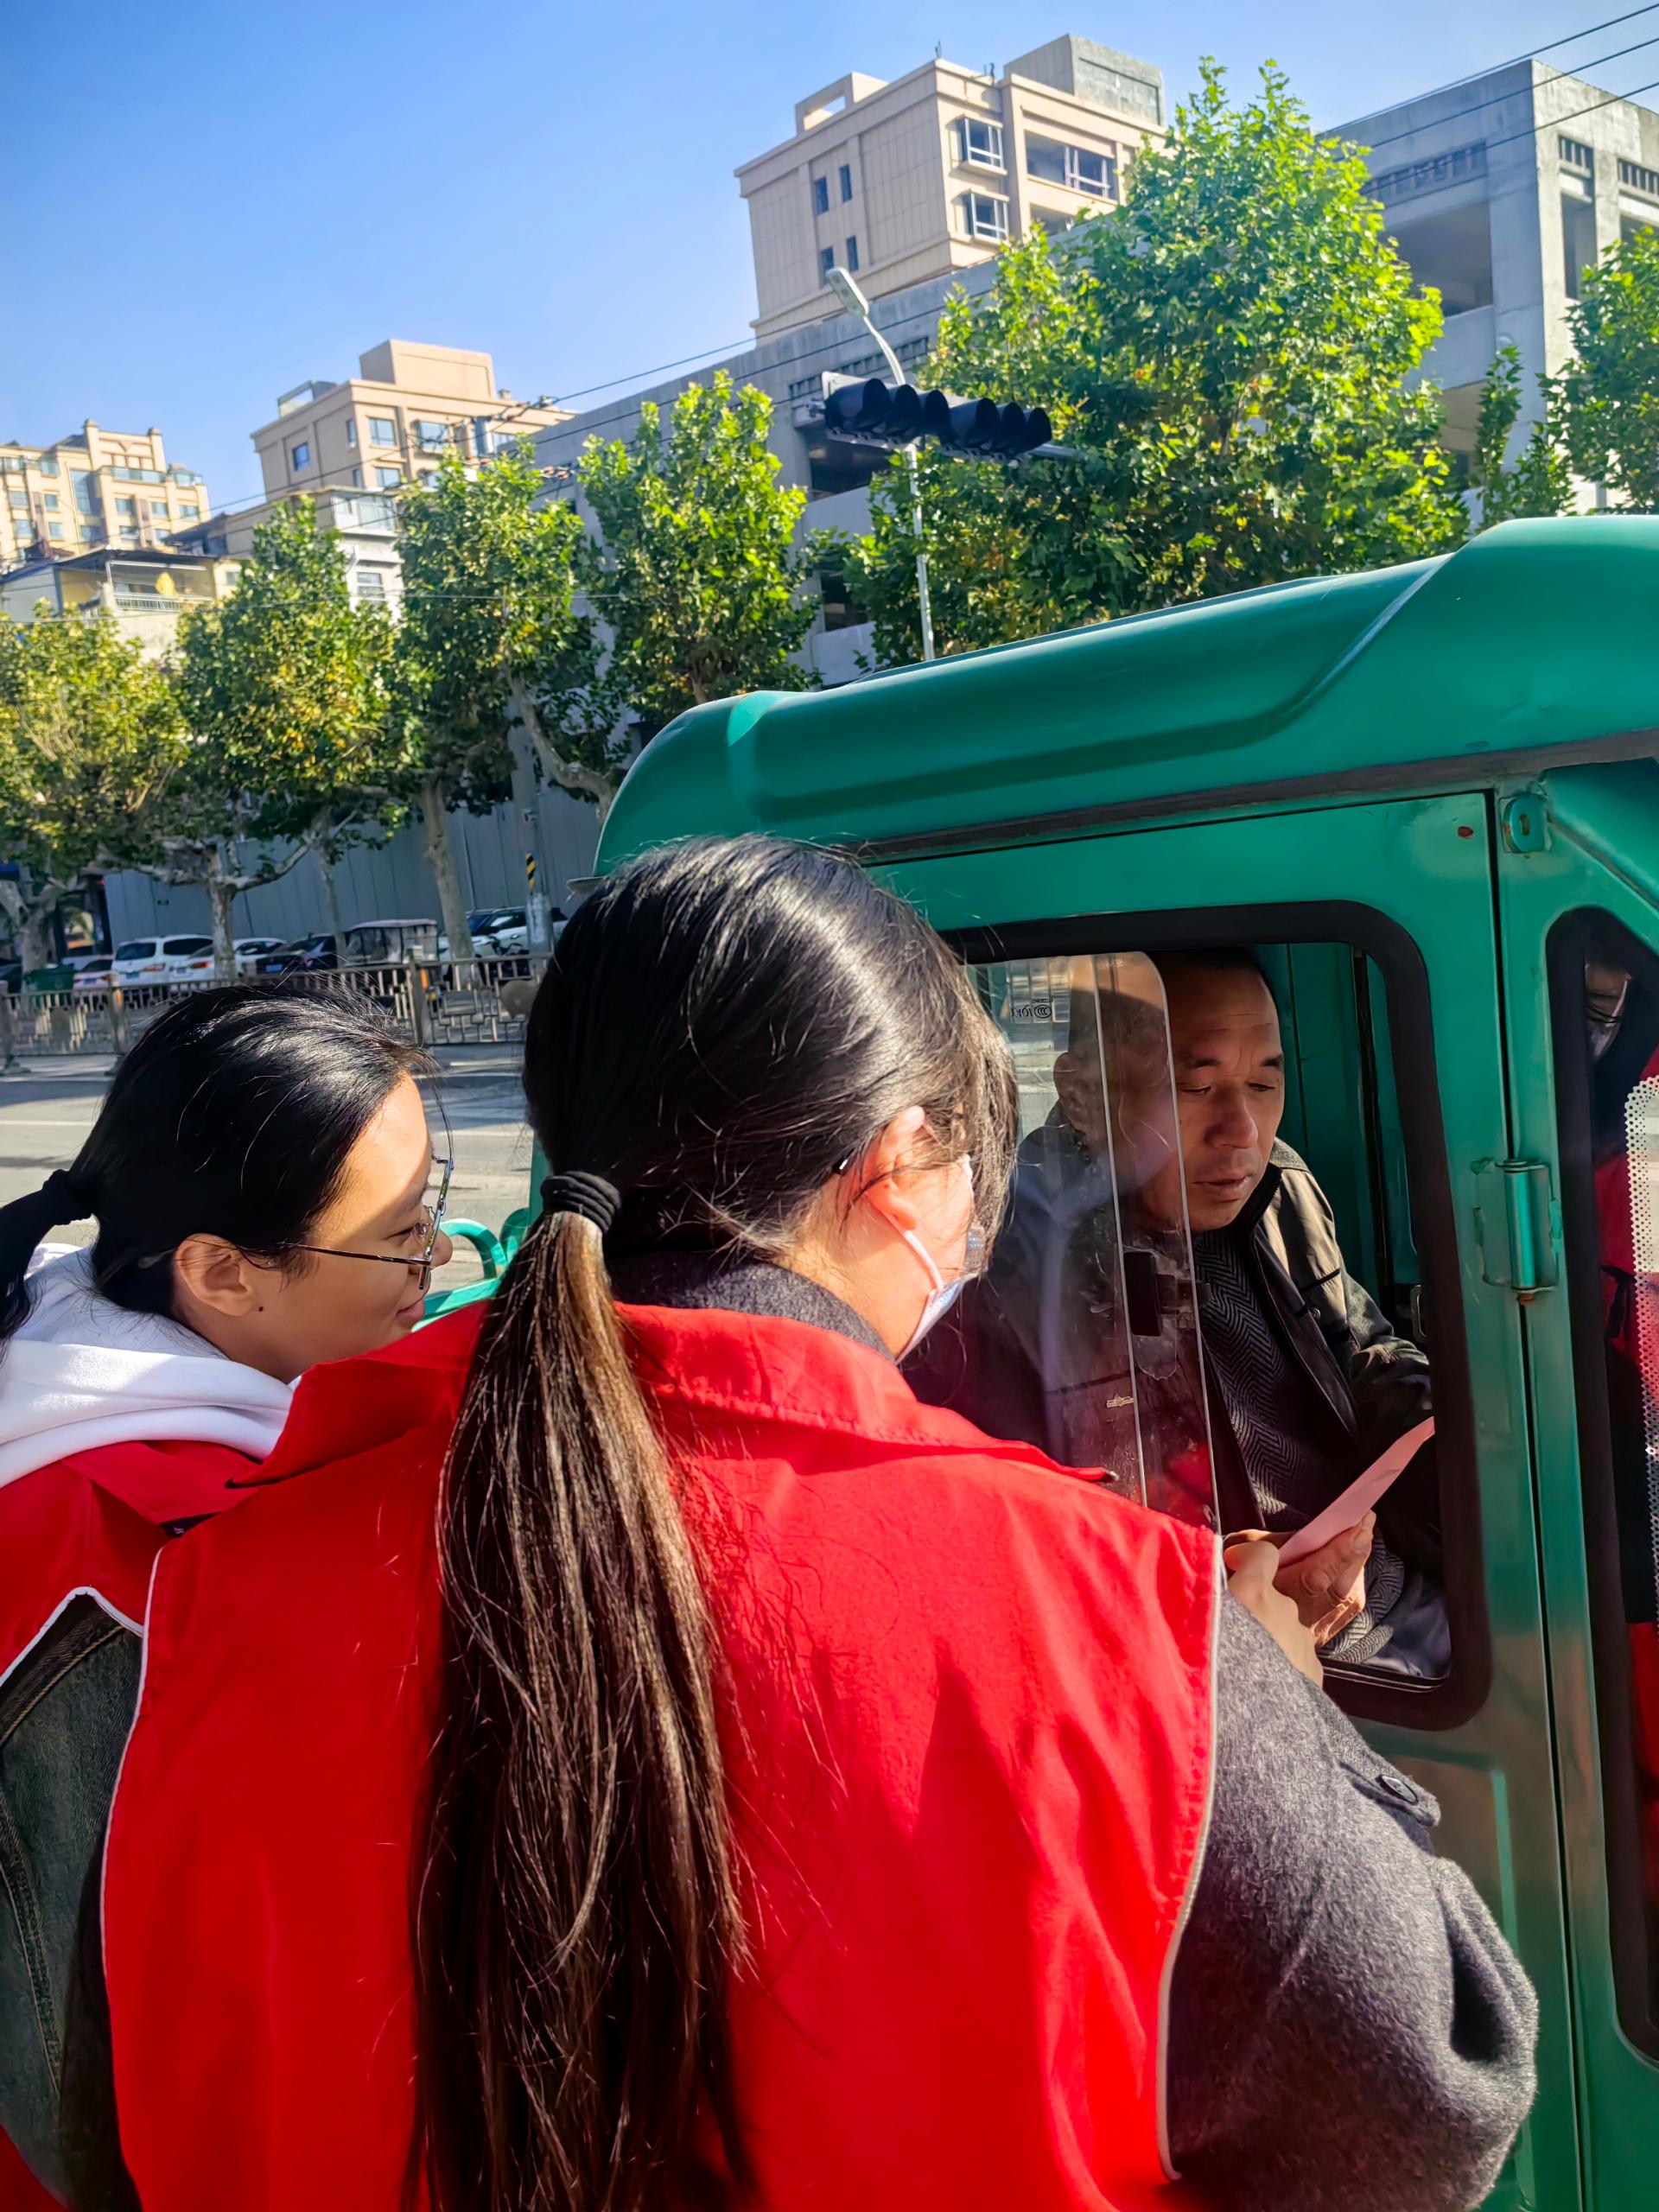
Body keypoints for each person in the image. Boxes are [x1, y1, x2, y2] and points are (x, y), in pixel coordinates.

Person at [87, 840, 1533, 2212]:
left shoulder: (212, 1592)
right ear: (899, 1166)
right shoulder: (1106, 1616)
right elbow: (1429, 2095)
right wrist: (1268, 1685)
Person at [0, 984, 451, 2203]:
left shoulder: (46, 1374)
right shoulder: (201, 1550)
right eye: (400, 1234)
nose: (438, 1260)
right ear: (219, 1271)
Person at [916, 949, 1445, 1678]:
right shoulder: (1009, 1272)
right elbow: (1025, 1572)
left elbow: (1360, 1349)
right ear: (1083, 1095)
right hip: (1235, 1660)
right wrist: (1238, 1618)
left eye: (1264, 1082)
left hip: (1382, 1579)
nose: (1242, 1130)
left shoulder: (1279, 1189)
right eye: (1196, 1087)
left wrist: (1452, 1423)